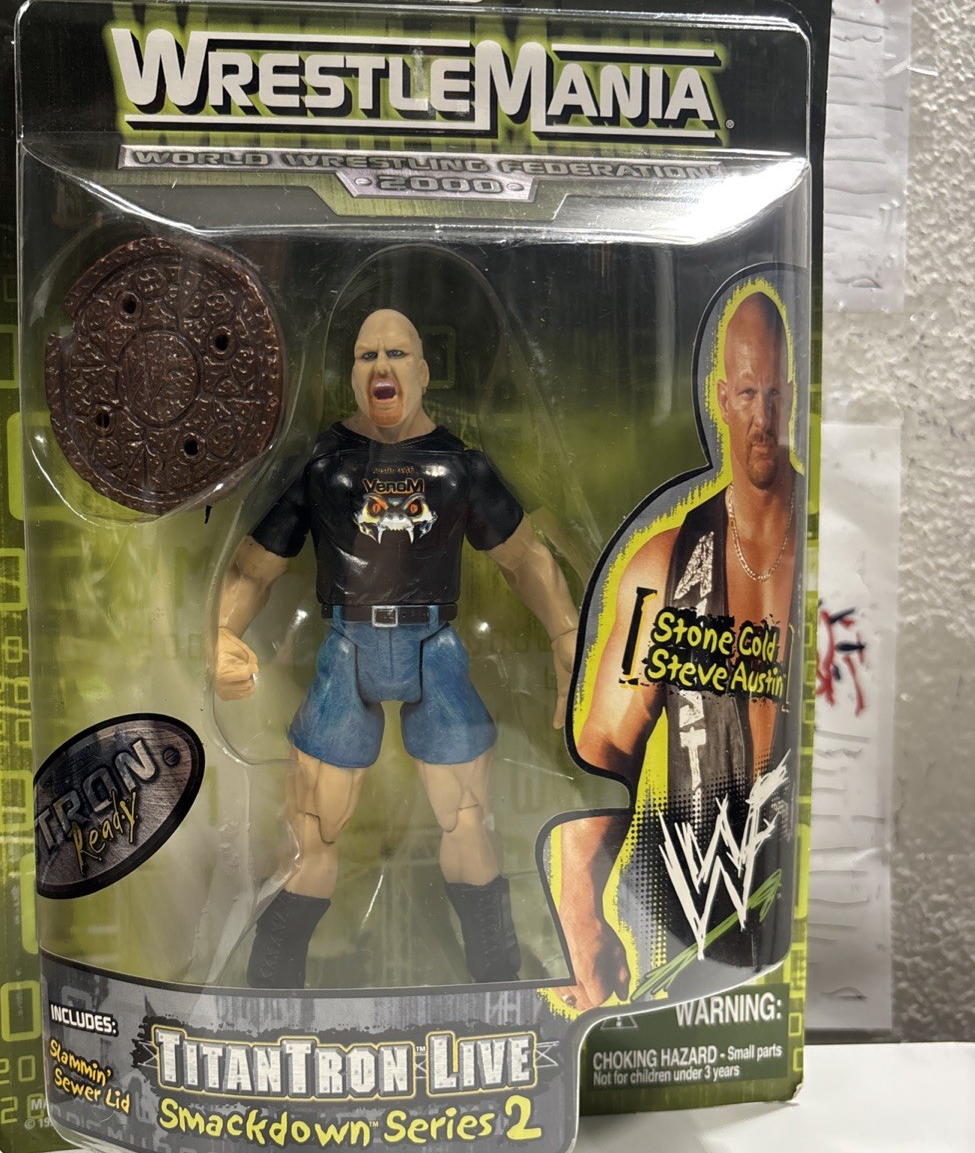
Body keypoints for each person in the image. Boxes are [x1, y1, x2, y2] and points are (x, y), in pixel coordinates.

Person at [215, 307, 579, 988]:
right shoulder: (322, 466)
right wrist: (220, 633)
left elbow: (524, 558)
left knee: (467, 821)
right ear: (352, 374)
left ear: (424, 371)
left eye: (396, 354)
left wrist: (565, 632)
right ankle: (269, 989)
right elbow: (251, 568)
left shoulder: (458, 467)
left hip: (433, 646)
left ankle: (498, 981)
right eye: (366, 355)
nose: (381, 366)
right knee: (312, 830)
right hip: (346, 648)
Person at [558, 289, 801, 1010]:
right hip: (691, 932)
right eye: (747, 393)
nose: (763, 418)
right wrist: (578, 910)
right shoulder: (663, 569)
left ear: (794, 396)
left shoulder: (823, 551)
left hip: (802, 916)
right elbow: (603, 749)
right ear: (721, 398)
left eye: (775, 394)